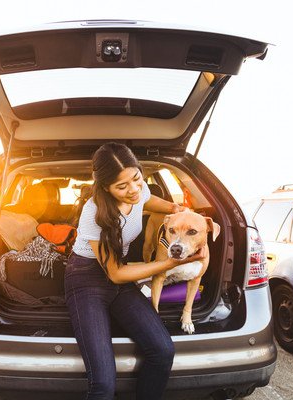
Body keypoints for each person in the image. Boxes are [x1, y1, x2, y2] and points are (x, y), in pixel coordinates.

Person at [65, 142, 207, 400]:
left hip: (121, 273)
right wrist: (169, 264)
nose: (133, 190)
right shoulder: (93, 213)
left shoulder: (138, 192)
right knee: (103, 385)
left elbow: (154, 202)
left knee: (162, 352)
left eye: (136, 178)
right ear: (105, 187)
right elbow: (116, 275)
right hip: (87, 278)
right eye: (122, 186)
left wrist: (178, 212)